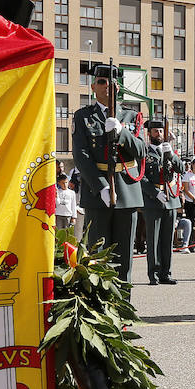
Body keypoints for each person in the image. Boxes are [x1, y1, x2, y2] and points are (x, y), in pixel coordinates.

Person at [71, 64, 147, 283]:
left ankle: (124, 306)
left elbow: (141, 150)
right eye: (102, 82)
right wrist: (101, 186)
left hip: (127, 191)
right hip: (99, 193)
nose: (108, 87)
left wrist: (122, 132)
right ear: (94, 86)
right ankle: (102, 310)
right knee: (98, 256)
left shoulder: (133, 116)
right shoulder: (83, 116)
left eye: (113, 83)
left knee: (125, 257)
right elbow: (81, 156)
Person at [141, 120, 187, 285]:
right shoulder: (144, 153)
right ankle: (153, 274)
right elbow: (141, 178)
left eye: (160, 131)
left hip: (171, 199)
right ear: (149, 134)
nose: (158, 134)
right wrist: (154, 193)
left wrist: (172, 156)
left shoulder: (169, 151)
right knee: (153, 240)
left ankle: (165, 273)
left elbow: (181, 169)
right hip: (154, 200)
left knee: (167, 239)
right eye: (155, 131)